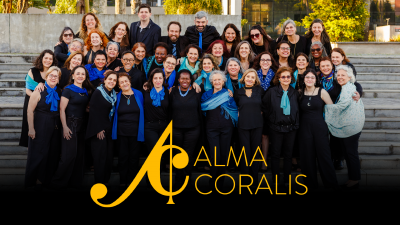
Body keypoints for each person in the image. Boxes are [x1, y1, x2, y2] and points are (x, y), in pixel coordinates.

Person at [51, 65, 94, 189]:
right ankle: (56, 184)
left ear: (85, 77)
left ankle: (75, 184)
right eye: (78, 73)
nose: (80, 76)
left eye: (83, 74)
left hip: (82, 125)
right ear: (73, 75)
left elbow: (82, 108)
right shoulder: (68, 90)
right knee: (68, 156)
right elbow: (62, 109)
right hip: (70, 124)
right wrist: (64, 126)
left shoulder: (85, 91)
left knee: (79, 156)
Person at [324, 65, 365, 190]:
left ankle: (355, 180)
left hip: (351, 126)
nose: (340, 77)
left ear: (349, 77)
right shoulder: (347, 87)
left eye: (343, 75)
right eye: (339, 75)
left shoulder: (348, 88)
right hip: (351, 125)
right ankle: (353, 178)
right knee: (348, 153)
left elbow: (342, 106)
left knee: (351, 153)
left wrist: (326, 107)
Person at [318, 57, 363, 170]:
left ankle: (338, 160)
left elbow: (355, 84)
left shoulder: (338, 79)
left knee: (336, 140)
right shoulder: (317, 79)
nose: (325, 68)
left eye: (328, 65)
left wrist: (359, 93)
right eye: (322, 66)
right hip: (320, 114)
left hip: (337, 115)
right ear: (319, 68)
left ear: (332, 66)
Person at [298, 69, 339, 190]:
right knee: (307, 158)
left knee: (324, 156)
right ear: (304, 79)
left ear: (316, 80)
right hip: (304, 129)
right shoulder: (300, 92)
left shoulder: (322, 92)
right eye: (307, 77)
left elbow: (331, 109)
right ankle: (310, 186)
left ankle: (331, 185)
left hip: (320, 128)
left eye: (312, 77)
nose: (309, 79)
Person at [24, 66, 62, 190]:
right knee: (37, 154)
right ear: (46, 76)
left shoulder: (60, 91)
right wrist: (31, 129)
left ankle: (45, 181)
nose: (53, 78)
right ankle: (31, 182)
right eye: (51, 75)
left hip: (55, 126)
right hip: (40, 125)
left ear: (58, 79)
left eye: (56, 76)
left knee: (51, 154)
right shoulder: (38, 91)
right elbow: (30, 111)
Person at [262, 67, 299, 186]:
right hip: (276, 127)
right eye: (283, 77)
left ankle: (287, 179)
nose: (286, 79)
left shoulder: (295, 92)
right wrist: (272, 119)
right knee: (275, 153)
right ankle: (275, 178)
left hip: (291, 128)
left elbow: (298, 110)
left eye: (288, 76)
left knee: (288, 154)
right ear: (278, 78)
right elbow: (265, 108)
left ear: (291, 78)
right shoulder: (271, 92)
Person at [201, 70, 238, 191]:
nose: (217, 82)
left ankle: (220, 182)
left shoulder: (228, 94)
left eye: (219, 80)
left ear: (223, 81)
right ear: (211, 82)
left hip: (227, 128)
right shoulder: (206, 95)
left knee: (224, 154)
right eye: (215, 80)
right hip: (211, 129)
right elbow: (203, 109)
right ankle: (213, 181)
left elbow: (233, 111)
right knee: (214, 155)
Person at [169, 69, 202, 189]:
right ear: (178, 80)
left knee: (188, 154)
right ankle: (178, 179)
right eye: (182, 78)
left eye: (187, 78)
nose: (185, 80)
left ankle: (187, 179)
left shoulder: (197, 91)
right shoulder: (172, 91)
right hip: (176, 129)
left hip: (193, 129)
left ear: (191, 80)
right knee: (178, 154)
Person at [112, 72, 144, 188]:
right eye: (121, 82)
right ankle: (122, 181)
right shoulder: (116, 96)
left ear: (130, 82)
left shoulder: (139, 94)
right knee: (123, 157)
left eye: (126, 81)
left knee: (134, 157)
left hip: (136, 132)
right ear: (119, 86)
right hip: (121, 132)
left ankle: (131, 182)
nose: (124, 83)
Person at [19, 49, 57, 148]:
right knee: (31, 127)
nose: (48, 60)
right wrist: (38, 100)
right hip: (32, 101)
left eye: (50, 59)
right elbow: (27, 90)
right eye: (46, 58)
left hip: (46, 106)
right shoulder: (33, 71)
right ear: (41, 59)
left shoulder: (53, 72)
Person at [233, 69, 264, 187]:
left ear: (255, 79)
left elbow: (264, 106)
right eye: (248, 77)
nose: (250, 79)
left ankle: (254, 179)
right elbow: (235, 106)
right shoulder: (238, 92)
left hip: (257, 124)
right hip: (243, 125)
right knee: (245, 152)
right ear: (244, 78)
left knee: (255, 151)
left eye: (252, 77)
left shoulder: (260, 91)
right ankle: (245, 179)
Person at [86, 71, 117, 185]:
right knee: (100, 159)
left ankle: (106, 182)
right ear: (105, 80)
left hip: (109, 130)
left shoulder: (113, 93)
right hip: (99, 131)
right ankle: (99, 184)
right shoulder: (98, 92)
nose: (112, 82)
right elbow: (93, 111)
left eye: (114, 80)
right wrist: (98, 129)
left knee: (109, 158)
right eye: (110, 79)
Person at [252, 52, 278, 171]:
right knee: (257, 136)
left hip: (271, 110)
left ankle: (264, 161)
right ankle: (255, 161)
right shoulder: (253, 75)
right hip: (256, 109)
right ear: (259, 61)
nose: (265, 62)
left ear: (271, 62)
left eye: (268, 60)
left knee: (265, 135)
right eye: (263, 60)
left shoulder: (276, 76)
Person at [142, 68, 170, 176]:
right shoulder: (145, 91)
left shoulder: (168, 92)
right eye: (155, 78)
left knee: (162, 151)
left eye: (160, 78)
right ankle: (152, 178)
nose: (158, 80)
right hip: (150, 126)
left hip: (164, 125)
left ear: (163, 79)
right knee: (154, 151)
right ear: (151, 79)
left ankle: (159, 175)